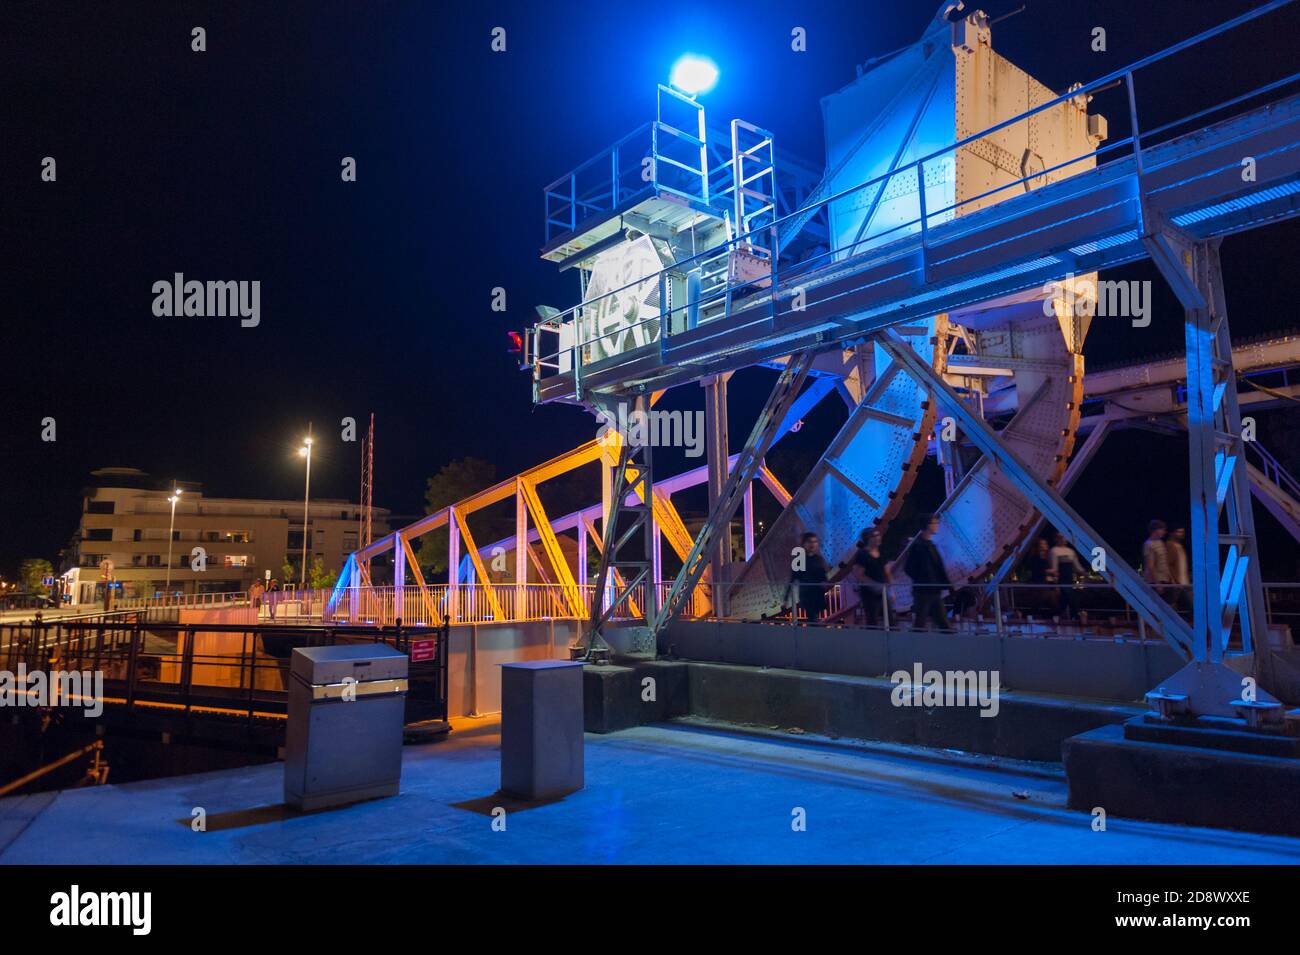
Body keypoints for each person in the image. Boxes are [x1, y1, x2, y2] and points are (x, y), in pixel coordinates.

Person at [905, 514, 951, 631]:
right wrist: (924, 580)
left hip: (931, 590)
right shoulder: (918, 546)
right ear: (927, 526)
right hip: (924, 591)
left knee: (939, 622)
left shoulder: (928, 545)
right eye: (935, 523)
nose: (937, 526)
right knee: (923, 623)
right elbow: (909, 568)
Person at [851, 528, 892, 627]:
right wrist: (874, 585)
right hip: (869, 594)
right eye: (875, 536)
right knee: (872, 620)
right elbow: (858, 575)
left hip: (883, 591)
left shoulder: (882, 552)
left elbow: (887, 571)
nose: (879, 538)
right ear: (868, 539)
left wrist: (891, 589)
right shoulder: (862, 555)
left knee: (890, 619)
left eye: (879, 535)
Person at [790, 532, 829, 623]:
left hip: (817, 594)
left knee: (813, 619)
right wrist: (785, 599)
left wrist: (824, 582)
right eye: (810, 542)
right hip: (807, 595)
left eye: (815, 542)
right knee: (812, 619)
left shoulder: (819, 559)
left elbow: (823, 575)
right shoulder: (800, 559)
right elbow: (793, 577)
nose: (812, 544)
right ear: (804, 543)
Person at [1048, 532, 1085, 619]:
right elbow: (1054, 568)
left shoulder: (1071, 551)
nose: (1062, 539)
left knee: (1064, 601)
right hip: (1061, 580)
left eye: (1064, 537)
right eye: (1060, 537)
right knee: (1070, 598)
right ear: (1056, 539)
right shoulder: (1054, 551)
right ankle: (1075, 616)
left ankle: (1057, 617)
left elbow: (1077, 566)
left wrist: (1084, 572)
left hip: (1069, 580)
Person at [1142, 520, 1171, 601]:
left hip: (1164, 579)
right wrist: (1157, 583)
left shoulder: (1161, 542)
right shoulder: (1148, 544)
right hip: (1155, 581)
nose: (1164, 532)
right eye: (1162, 529)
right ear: (1155, 530)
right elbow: (1150, 565)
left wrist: (1170, 577)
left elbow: (1164, 562)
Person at [1166, 526, 1190, 611]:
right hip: (1177, 583)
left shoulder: (1179, 546)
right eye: (1179, 532)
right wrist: (1173, 580)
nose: (1181, 534)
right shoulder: (1170, 545)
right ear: (1172, 533)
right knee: (1189, 606)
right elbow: (1168, 564)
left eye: (1182, 532)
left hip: (1183, 583)